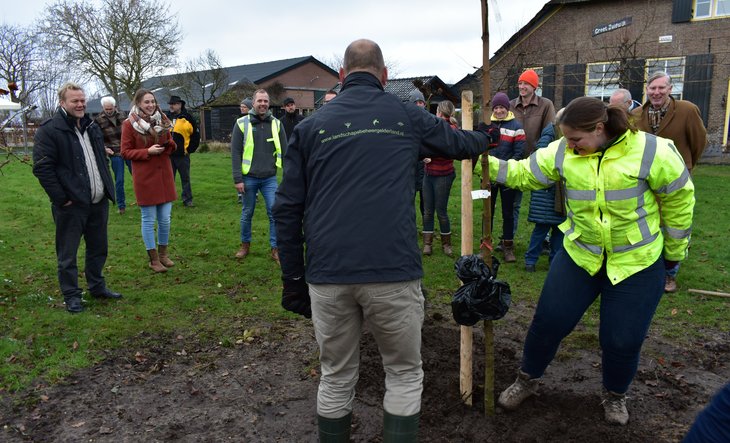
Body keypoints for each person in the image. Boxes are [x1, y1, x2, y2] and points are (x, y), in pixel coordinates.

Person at [272, 38, 495, 442]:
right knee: (404, 372)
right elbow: (460, 144)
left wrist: (292, 279)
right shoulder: (406, 115)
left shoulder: (308, 128)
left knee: (336, 375)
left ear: (341, 76)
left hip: (328, 272)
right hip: (392, 271)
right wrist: (487, 135)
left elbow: (287, 208)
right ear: (385, 76)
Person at [491, 97, 694, 426]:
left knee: (622, 338)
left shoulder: (652, 151)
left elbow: (680, 199)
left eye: (575, 140)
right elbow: (525, 173)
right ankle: (526, 380)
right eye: (566, 139)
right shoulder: (564, 151)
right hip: (580, 254)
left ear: (599, 129)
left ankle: (615, 395)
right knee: (548, 322)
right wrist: (482, 162)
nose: (569, 146)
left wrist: (673, 253)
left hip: (635, 261)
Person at [32, 82, 122, 313]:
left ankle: (97, 286)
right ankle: (72, 295)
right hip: (71, 206)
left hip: (98, 201)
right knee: (67, 254)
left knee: (98, 248)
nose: (81, 104)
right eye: (75, 101)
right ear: (62, 103)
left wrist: (106, 188)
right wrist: (62, 199)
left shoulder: (92, 126)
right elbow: (43, 168)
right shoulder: (50, 130)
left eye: (82, 100)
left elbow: (100, 159)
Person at [632, 71, 707, 293]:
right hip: (646, 180)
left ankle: (669, 275)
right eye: (652, 88)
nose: (656, 92)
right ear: (646, 90)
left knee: (675, 226)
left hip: (675, 181)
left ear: (670, 89)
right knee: (648, 224)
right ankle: (647, 268)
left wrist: (686, 166)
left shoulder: (687, 110)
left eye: (661, 88)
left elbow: (698, 142)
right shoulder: (636, 115)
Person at [121, 89, 178, 273]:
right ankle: (153, 259)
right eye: (146, 102)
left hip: (164, 176)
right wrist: (147, 152)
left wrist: (169, 144)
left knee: (165, 220)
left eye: (153, 101)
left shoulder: (162, 121)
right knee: (148, 219)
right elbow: (125, 152)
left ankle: (163, 254)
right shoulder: (129, 125)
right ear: (138, 103)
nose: (151, 105)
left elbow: (171, 145)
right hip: (145, 177)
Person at [231, 88, 287, 264]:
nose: (262, 104)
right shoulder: (241, 123)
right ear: (253, 103)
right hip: (249, 178)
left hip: (270, 178)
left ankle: (275, 248)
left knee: (274, 212)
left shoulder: (277, 124)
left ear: (269, 103)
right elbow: (235, 153)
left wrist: (290, 177)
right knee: (247, 213)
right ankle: (245, 245)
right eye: (259, 101)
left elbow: (286, 152)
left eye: (265, 101)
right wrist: (237, 179)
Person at [509, 69, 556, 241]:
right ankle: (508, 238)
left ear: (534, 86)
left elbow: (550, 132)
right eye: (520, 83)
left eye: (526, 84)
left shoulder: (546, 105)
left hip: (539, 161)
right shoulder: (510, 105)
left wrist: (540, 154)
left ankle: (544, 239)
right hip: (515, 159)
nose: (522, 87)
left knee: (543, 203)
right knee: (513, 203)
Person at [484, 92, 525, 263]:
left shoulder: (516, 126)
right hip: (489, 177)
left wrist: (507, 169)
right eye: (496, 107)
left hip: (508, 176)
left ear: (507, 108)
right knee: (487, 212)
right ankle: (486, 244)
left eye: (502, 107)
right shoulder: (487, 124)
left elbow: (519, 151)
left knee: (508, 212)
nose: (499, 110)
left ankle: (508, 246)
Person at [524, 108, 566, 272]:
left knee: (558, 230)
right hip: (548, 192)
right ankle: (531, 260)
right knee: (542, 229)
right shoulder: (550, 135)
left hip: (558, 194)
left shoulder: (559, 134)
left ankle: (554, 261)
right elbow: (541, 158)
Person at [421, 100, 460, 257]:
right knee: (429, 211)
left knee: (439, 211)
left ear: (439, 111)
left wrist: (430, 155)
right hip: (429, 173)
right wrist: (423, 155)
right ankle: (427, 243)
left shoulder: (450, 128)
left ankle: (446, 245)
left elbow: (449, 150)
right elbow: (422, 143)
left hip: (443, 174)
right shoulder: (433, 125)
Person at [95, 96, 131, 214]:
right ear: (103, 108)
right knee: (119, 180)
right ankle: (121, 206)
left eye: (110, 109)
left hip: (128, 150)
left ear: (115, 107)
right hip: (114, 153)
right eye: (106, 109)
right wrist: (104, 148)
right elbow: (97, 138)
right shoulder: (98, 120)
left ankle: (145, 200)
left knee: (138, 176)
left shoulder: (123, 116)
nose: (108, 111)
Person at [167, 95, 199, 208]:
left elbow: (195, 135)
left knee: (185, 178)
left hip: (182, 155)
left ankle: (187, 199)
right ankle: (168, 200)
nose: (171, 106)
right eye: (170, 104)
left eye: (174, 104)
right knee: (169, 179)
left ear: (180, 105)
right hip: (169, 155)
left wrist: (189, 150)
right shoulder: (166, 117)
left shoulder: (188, 117)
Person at [408, 88, 427, 221]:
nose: (419, 104)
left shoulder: (429, 120)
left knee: (426, 202)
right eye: (416, 102)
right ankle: (410, 225)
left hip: (426, 167)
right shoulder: (405, 121)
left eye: (421, 102)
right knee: (409, 200)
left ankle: (427, 229)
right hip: (411, 166)